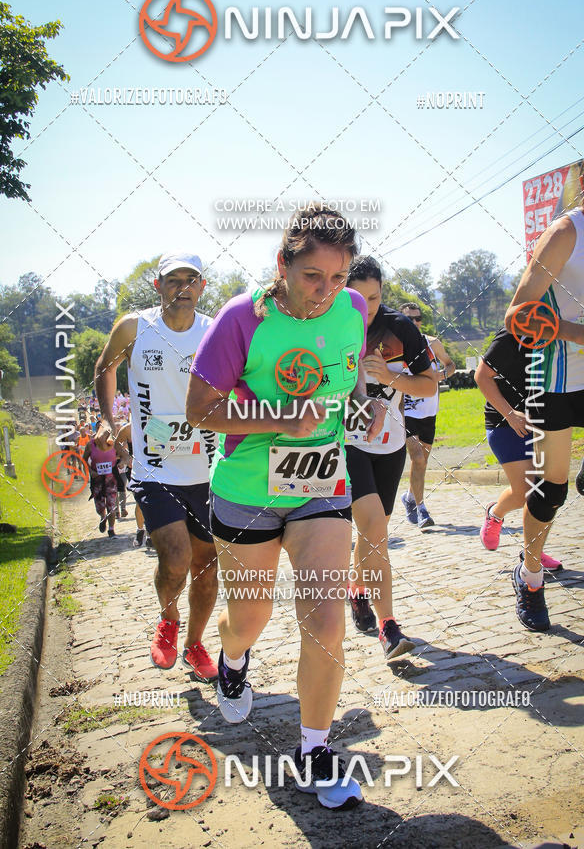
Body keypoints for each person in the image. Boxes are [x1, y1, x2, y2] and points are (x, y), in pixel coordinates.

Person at [186, 205, 385, 810]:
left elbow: (346, 382)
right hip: (247, 490)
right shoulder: (241, 319)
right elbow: (199, 409)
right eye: (311, 277)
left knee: (324, 620)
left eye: (337, 277)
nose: (326, 292)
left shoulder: (352, 310)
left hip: (322, 483)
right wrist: (274, 417)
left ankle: (315, 751)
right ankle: (233, 655)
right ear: (282, 264)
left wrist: (361, 409)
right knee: (251, 615)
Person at [95, 251, 219, 681]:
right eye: (173, 280)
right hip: (154, 467)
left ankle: (195, 644)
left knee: (207, 566)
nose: (182, 287)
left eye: (191, 280)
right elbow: (103, 368)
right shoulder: (134, 327)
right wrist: (111, 423)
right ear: (158, 285)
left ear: (201, 286)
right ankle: (168, 620)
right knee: (176, 556)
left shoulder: (214, 331)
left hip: (206, 471)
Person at [505, 142, 584, 631]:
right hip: (555, 379)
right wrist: (580, 332)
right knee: (549, 493)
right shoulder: (567, 233)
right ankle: (531, 572)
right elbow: (517, 313)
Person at [344, 257, 437, 658]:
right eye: (359, 299)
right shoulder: (331, 325)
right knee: (373, 530)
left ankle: (356, 585)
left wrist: (389, 378)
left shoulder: (400, 329)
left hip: (391, 444)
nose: (368, 307)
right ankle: (390, 627)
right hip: (346, 444)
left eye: (375, 297)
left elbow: (430, 386)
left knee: (375, 530)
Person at [474, 328, 562, 571]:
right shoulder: (512, 334)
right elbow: (482, 376)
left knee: (547, 492)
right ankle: (495, 513)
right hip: (506, 422)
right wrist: (510, 414)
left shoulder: (564, 332)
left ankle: (533, 552)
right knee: (525, 491)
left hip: (546, 421)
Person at [398, 302, 456, 528]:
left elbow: (449, 365)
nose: (414, 322)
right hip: (407, 412)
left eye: (417, 318)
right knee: (418, 459)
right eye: (408, 319)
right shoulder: (395, 348)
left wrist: (440, 375)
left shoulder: (432, 343)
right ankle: (421, 509)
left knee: (422, 463)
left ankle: (409, 497)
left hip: (429, 412)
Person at [115, 421, 149, 547]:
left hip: (156, 468)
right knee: (140, 501)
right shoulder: (128, 428)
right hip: (136, 470)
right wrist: (126, 457)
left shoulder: (156, 422)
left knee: (154, 500)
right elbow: (116, 443)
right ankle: (140, 530)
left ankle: (150, 532)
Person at [83, 430, 118, 538]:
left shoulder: (114, 443)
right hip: (97, 479)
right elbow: (84, 459)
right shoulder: (91, 444)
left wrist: (121, 463)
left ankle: (111, 529)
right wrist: (90, 471)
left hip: (111, 479)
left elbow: (123, 455)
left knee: (111, 505)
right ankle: (103, 517)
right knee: (99, 506)